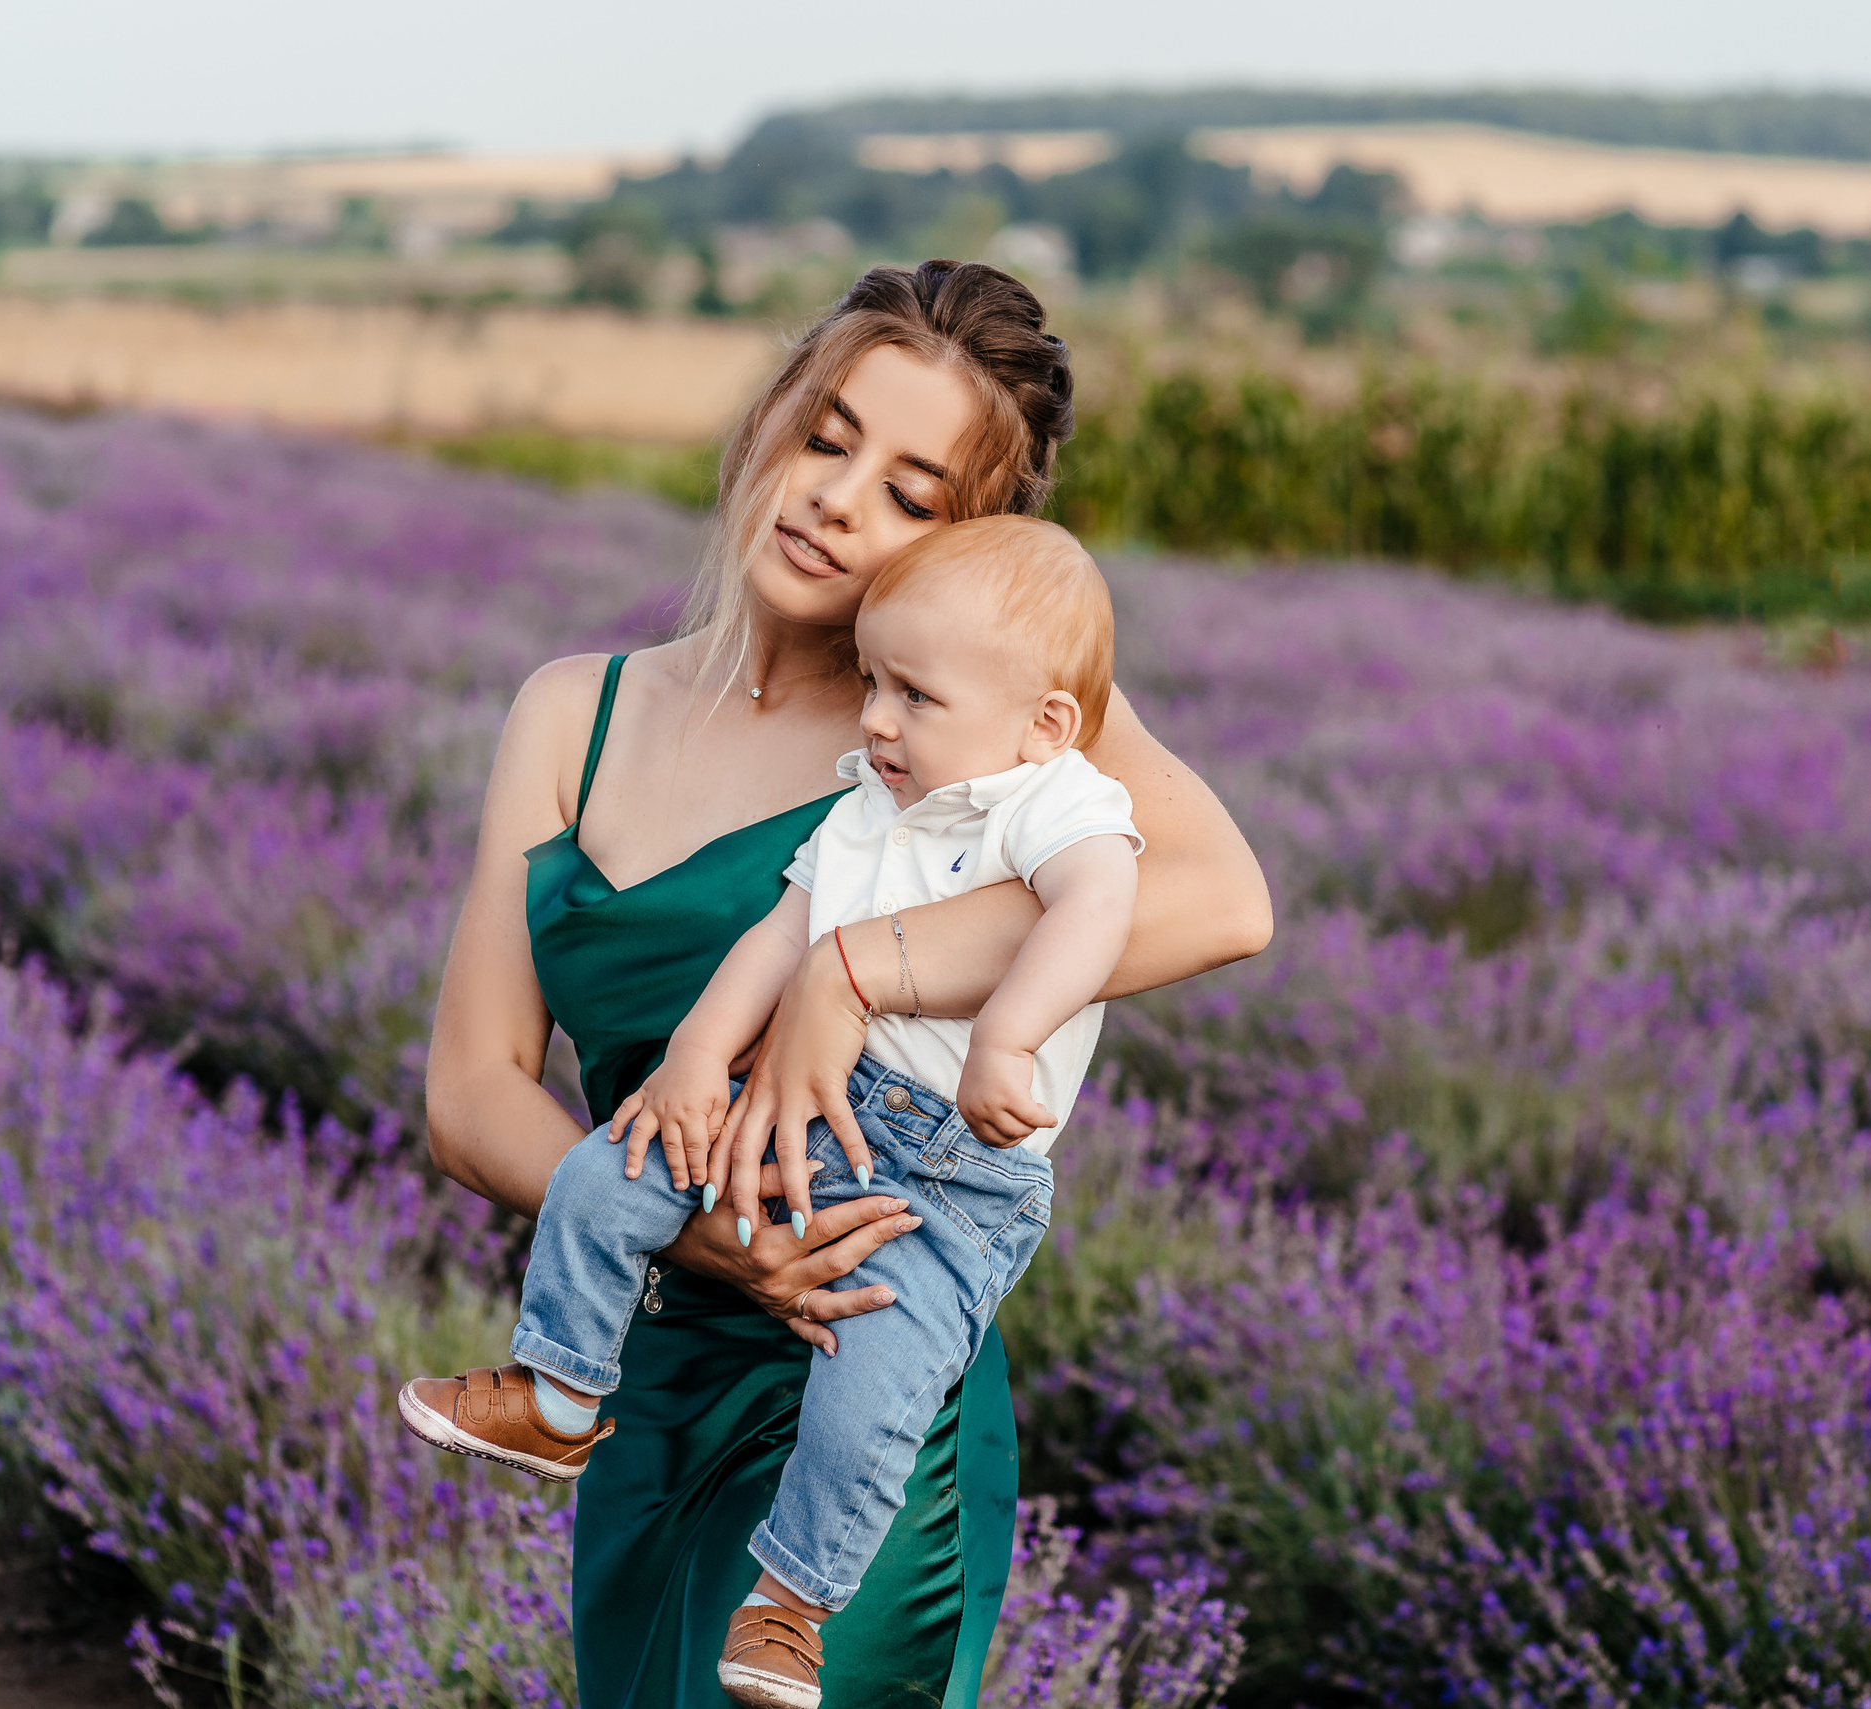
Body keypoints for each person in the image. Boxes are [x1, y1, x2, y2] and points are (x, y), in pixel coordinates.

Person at [420, 259, 1272, 1709]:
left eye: (910, 492)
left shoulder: (977, 730)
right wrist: (698, 1239)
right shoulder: (574, 707)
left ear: (970, 542)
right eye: (828, 437)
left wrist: (853, 969)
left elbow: (1221, 898)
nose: (836, 497)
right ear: (767, 423)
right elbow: (471, 1092)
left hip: (859, 1352)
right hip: (645, 1373)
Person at [405, 516, 1136, 1709]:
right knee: (607, 1168)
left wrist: (1004, 1036)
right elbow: (778, 934)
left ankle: (792, 1603)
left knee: (870, 1393)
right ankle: (558, 1388)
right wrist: (693, 1056)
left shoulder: (1053, 800)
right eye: (876, 684)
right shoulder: (868, 801)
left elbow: (1101, 907)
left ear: (1042, 721)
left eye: (915, 695)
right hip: (789, 1118)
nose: (879, 720)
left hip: (940, 1183)